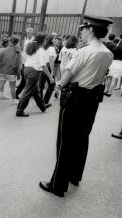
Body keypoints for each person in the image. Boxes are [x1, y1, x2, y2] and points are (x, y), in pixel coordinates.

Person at [39, 15, 114, 197]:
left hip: (75, 99)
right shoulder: (107, 53)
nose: (80, 31)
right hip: (92, 100)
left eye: (82, 28)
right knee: (82, 139)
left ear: (90, 29)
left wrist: (58, 86)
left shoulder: (85, 51)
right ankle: (75, 175)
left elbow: (66, 78)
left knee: (65, 142)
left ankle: (58, 185)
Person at [16, 33, 53, 117]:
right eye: (45, 40)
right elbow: (43, 65)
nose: (46, 41)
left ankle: (42, 106)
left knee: (35, 91)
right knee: (27, 92)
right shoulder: (40, 50)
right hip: (33, 72)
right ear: (42, 40)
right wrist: (50, 77)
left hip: (26, 69)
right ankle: (20, 110)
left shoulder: (31, 47)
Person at [0, 35, 22, 104]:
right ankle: (13, 100)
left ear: (10, 41)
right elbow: (19, 65)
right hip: (12, 72)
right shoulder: (18, 52)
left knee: (0, 85)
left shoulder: (3, 50)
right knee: (12, 87)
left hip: (2, 70)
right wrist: (18, 74)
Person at [16, 27, 35, 99]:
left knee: (26, 79)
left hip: (30, 62)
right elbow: (24, 50)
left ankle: (31, 93)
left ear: (31, 33)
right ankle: (21, 93)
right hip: (24, 61)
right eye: (27, 32)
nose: (27, 33)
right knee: (25, 79)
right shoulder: (26, 39)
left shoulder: (33, 41)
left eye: (28, 32)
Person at [39, 34, 56, 104]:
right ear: (51, 40)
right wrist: (52, 71)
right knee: (52, 84)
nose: (56, 40)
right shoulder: (52, 48)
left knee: (41, 85)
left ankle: (40, 101)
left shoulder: (43, 47)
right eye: (55, 39)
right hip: (48, 66)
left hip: (42, 66)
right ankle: (45, 101)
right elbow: (51, 60)